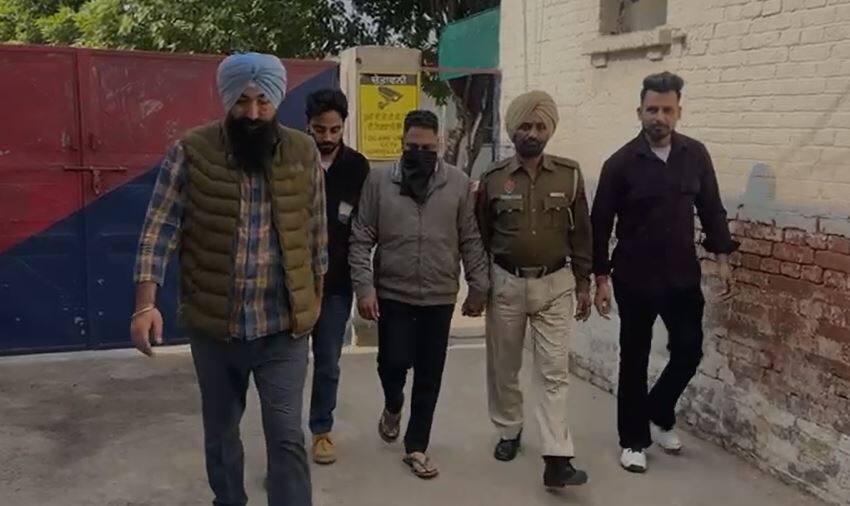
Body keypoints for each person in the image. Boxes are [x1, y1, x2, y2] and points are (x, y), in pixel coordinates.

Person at [130, 52, 326, 506]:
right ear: (227, 100)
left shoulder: (303, 151)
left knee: (287, 438)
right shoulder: (191, 151)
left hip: (283, 330)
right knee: (221, 435)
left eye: (263, 101)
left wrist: (315, 300)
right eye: (242, 101)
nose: (253, 113)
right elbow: (159, 229)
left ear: (277, 100)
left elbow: (317, 233)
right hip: (216, 329)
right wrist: (145, 304)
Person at [591, 71, 738, 474]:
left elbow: (712, 208)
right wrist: (600, 278)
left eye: (667, 110)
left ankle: (658, 410)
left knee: (689, 350)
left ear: (678, 112)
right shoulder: (619, 164)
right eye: (652, 109)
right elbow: (599, 224)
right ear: (639, 111)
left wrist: (723, 259)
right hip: (634, 276)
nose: (659, 116)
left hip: (681, 275)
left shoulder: (695, 155)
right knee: (634, 359)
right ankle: (633, 441)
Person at [349, 109, 489, 479]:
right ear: (402, 142)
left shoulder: (458, 183)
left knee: (430, 373)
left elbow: (470, 237)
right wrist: (364, 288)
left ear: (439, 144)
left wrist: (479, 286)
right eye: (413, 147)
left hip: (439, 295)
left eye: (428, 148)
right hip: (393, 293)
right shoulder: (379, 181)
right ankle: (393, 403)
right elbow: (361, 236)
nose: (421, 153)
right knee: (392, 363)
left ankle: (416, 446)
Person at [475, 90, 592, 489]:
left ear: (550, 130)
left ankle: (557, 456)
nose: (533, 133)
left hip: (556, 284)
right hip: (506, 283)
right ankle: (509, 430)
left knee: (554, 372)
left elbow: (582, 233)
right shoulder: (493, 178)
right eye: (525, 125)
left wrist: (584, 282)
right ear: (512, 129)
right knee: (505, 367)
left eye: (540, 126)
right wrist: (480, 285)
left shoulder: (569, 175)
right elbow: (480, 235)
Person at [304, 88, 370, 465]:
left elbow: (363, 228)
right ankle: (284, 434)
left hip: (337, 286)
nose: (327, 137)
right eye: (319, 129)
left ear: (344, 125)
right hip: (294, 284)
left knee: (328, 361)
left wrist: (364, 284)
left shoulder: (357, 167)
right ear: (307, 126)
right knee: (286, 365)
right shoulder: (292, 160)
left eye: (334, 129)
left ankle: (321, 431)